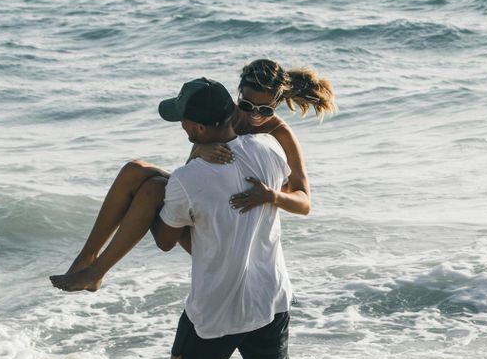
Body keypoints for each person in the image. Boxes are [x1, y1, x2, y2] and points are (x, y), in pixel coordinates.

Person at [49, 60, 335, 293]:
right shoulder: (225, 115)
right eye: (247, 106)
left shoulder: (280, 134)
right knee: (133, 171)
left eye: (265, 110)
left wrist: (272, 196)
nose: (253, 116)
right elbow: (191, 174)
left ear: (277, 104)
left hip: (233, 233)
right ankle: (87, 260)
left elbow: (304, 203)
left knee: (153, 189)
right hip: (208, 210)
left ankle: (96, 272)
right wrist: (200, 150)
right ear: (238, 95)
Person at [148, 77, 302, 359]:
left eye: (184, 121)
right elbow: (293, 191)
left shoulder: (186, 178)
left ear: (198, 128)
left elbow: (165, 239)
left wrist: (153, 196)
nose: (182, 127)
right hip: (268, 296)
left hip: (216, 304)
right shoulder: (270, 151)